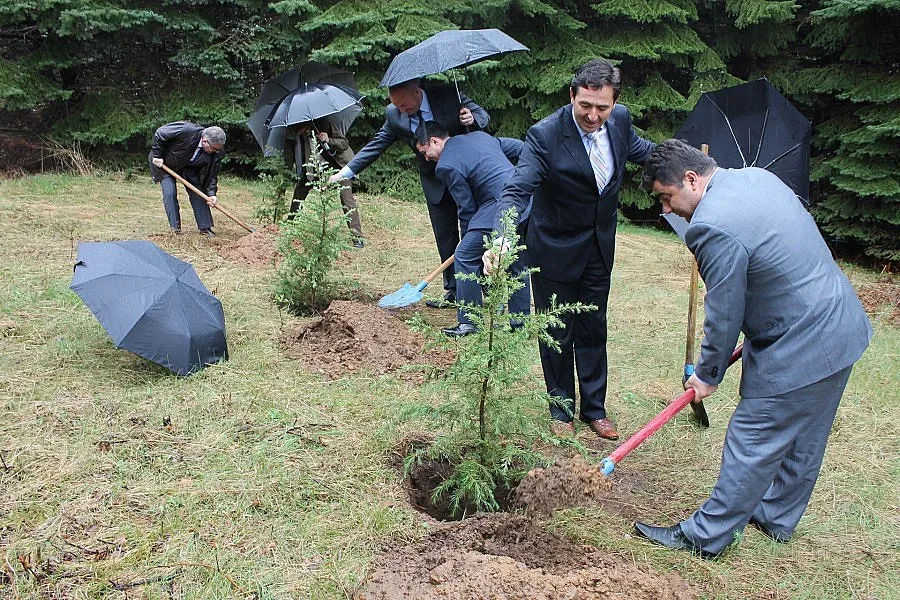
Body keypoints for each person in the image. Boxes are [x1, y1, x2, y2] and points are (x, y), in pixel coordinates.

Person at [633, 139, 873, 558]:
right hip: (840, 323)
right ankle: (776, 515)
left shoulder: (711, 225)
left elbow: (724, 310)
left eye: (666, 197)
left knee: (753, 436)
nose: (666, 210)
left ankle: (704, 537)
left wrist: (707, 374)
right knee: (806, 435)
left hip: (802, 341)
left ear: (691, 179)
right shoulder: (756, 177)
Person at [483, 59, 655, 440]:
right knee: (556, 330)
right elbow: (516, 190)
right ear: (571, 95)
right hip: (554, 248)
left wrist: (691, 164)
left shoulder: (620, 121)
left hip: (599, 247)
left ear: (614, 103)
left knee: (594, 327)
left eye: (602, 107)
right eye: (585, 106)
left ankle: (595, 409)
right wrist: (502, 237)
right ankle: (560, 412)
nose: (593, 116)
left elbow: (645, 151)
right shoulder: (545, 135)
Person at [330, 79, 490, 306]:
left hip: (466, 177)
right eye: (398, 107)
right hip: (435, 183)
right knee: (445, 237)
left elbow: (482, 116)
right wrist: (345, 172)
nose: (402, 111)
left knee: (475, 232)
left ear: (417, 92)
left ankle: (486, 285)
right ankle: (454, 292)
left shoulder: (447, 94)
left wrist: (472, 119)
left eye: (405, 105)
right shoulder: (394, 115)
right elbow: (377, 144)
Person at [416, 121, 530, 336]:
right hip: (523, 200)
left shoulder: (446, 166)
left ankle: (469, 322)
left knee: (464, 256)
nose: (426, 158)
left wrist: (468, 241)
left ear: (434, 141)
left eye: (425, 152)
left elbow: (466, 208)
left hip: (498, 205)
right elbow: (521, 148)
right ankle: (520, 325)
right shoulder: (481, 136)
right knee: (516, 262)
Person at [285, 119, 365, 247]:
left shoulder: (323, 124)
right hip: (313, 169)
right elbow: (288, 160)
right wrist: (284, 180)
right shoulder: (292, 136)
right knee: (299, 191)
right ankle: (289, 226)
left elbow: (344, 143)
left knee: (346, 197)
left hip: (338, 167)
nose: (297, 131)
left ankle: (357, 237)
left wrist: (329, 140)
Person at [149, 122, 225, 237]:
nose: (216, 152)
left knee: (197, 192)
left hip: (187, 166)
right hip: (164, 163)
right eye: (214, 149)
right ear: (205, 141)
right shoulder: (186, 130)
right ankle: (175, 228)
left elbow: (212, 173)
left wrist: (211, 193)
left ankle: (205, 227)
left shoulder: (217, 151)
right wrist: (158, 155)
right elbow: (160, 133)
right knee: (170, 192)